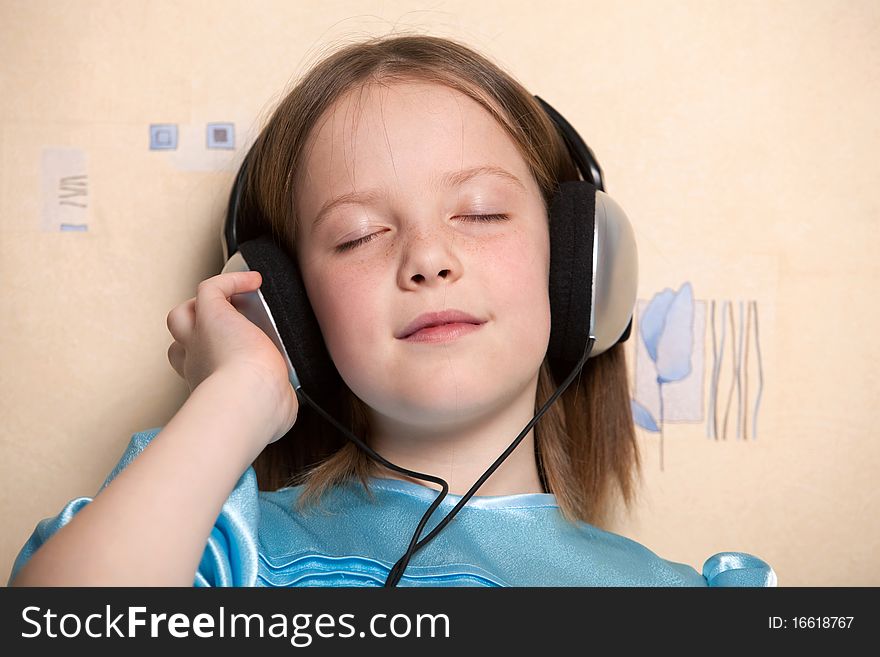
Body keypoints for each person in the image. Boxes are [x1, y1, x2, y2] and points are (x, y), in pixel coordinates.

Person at [7, 33, 776, 587]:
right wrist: (236, 395)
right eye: (359, 235)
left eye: (479, 212)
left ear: (582, 266)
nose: (428, 257)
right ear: (291, 315)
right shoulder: (222, 549)